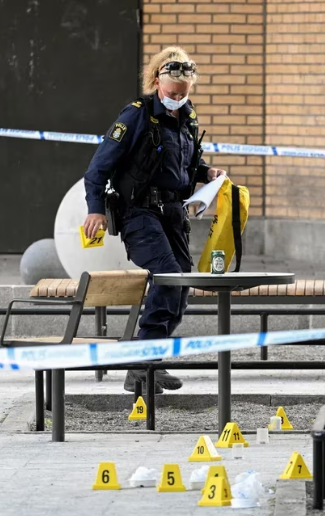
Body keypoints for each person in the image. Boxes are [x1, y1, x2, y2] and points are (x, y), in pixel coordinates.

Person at [83, 46, 227, 393]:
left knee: (180, 287)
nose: (177, 98)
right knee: (168, 275)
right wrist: (95, 208)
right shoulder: (136, 116)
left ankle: (150, 359)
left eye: (183, 92)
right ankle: (141, 362)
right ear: (157, 81)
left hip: (174, 214)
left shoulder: (189, 118)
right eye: (172, 92)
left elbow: (186, 166)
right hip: (139, 213)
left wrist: (208, 173)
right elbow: (97, 169)